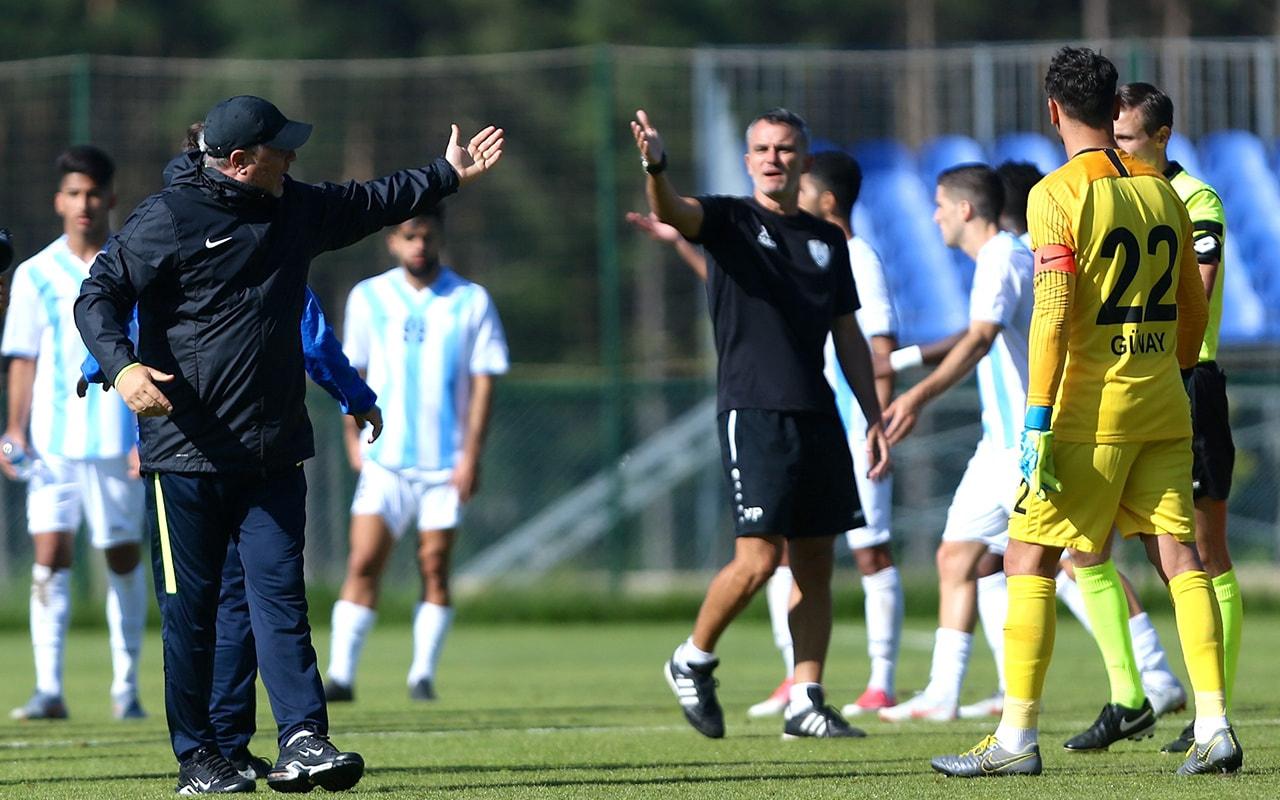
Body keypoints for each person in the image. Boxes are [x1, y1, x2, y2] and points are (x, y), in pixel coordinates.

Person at [74, 94, 503, 794]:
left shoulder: (293, 207)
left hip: (273, 454)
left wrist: (445, 174)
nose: (293, 158)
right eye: (280, 150)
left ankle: (303, 737)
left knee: (279, 600)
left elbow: (372, 200)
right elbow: (97, 296)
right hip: (185, 457)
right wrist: (121, 366)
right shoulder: (168, 218)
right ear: (241, 161)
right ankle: (199, 757)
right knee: (193, 615)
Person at [931, 46, 1240, 778]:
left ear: (1053, 111)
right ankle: (1215, 725)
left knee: (1026, 558)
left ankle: (1014, 741)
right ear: (1113, 110)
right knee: (1179, 555)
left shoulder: (1054, 195)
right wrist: (1170, 373)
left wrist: (1036, 416)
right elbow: (1193, 310)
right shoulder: (1163, 192)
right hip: (1164, 401)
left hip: (1087, 411)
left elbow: (1051, 315)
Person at [632, 106, 890, 740]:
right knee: (755, 560)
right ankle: (691, 658)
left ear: (802, 160)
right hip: (753, 410)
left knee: (817, 564)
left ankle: (806, 698)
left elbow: (848, 333)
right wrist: (656, 166)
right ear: (749, 160)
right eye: (763, 149)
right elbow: (672, 212)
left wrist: (874, 414)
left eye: (785, 149)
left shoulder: (829, 241)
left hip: (819, 412)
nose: (774, 158)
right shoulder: (728, 218)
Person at [1054, 80, 1239, 756]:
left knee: (1195, 554)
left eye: (1128, 139)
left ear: (1161, 138)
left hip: (1186, 381)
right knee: (1084, 550)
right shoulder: (1122, 198)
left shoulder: (1194, 199)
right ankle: (1131, 696)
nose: (1118, 150)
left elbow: (1198, 294)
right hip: (1124, 387)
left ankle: (1211, 711)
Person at [324, 204, 508, 703]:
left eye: (426, 236)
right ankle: (340, 676)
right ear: (393, 241)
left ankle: (421, 675)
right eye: (409, 236)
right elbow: (351, 370)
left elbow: (484, 380)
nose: (418, 245)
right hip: (385, 460)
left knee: (434, 564)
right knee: (363, 561)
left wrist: (471, 455)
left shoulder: (470, 300)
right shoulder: (370, 298)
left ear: (440, 237)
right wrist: (350, 435)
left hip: (445, 463)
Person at [875, 165, 1032, 724]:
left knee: (1068, 567)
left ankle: (1150, 677)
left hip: (1024, 446)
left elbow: (981, 340)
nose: (934, 215)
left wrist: (916, 398)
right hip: (1001, 445)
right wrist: (905, 360)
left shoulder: (1002, 259)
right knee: (961, 555)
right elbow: (974, 336)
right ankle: (949, 693)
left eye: (940, 204)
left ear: (966, 210)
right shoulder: (1001, 259)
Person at [1, 145, 150, 723]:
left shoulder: (133, 263)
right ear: (58, 200)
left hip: (118, 443)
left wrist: (148, 433)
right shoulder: (35, 272)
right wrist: (15, 426)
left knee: (121, 559)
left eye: (94, 193)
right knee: (50, 557)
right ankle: (48, 688)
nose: (84, 204)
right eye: (74, 194)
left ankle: (127, 685)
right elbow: (23, 358)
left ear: (110, 198)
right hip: (53, 447)